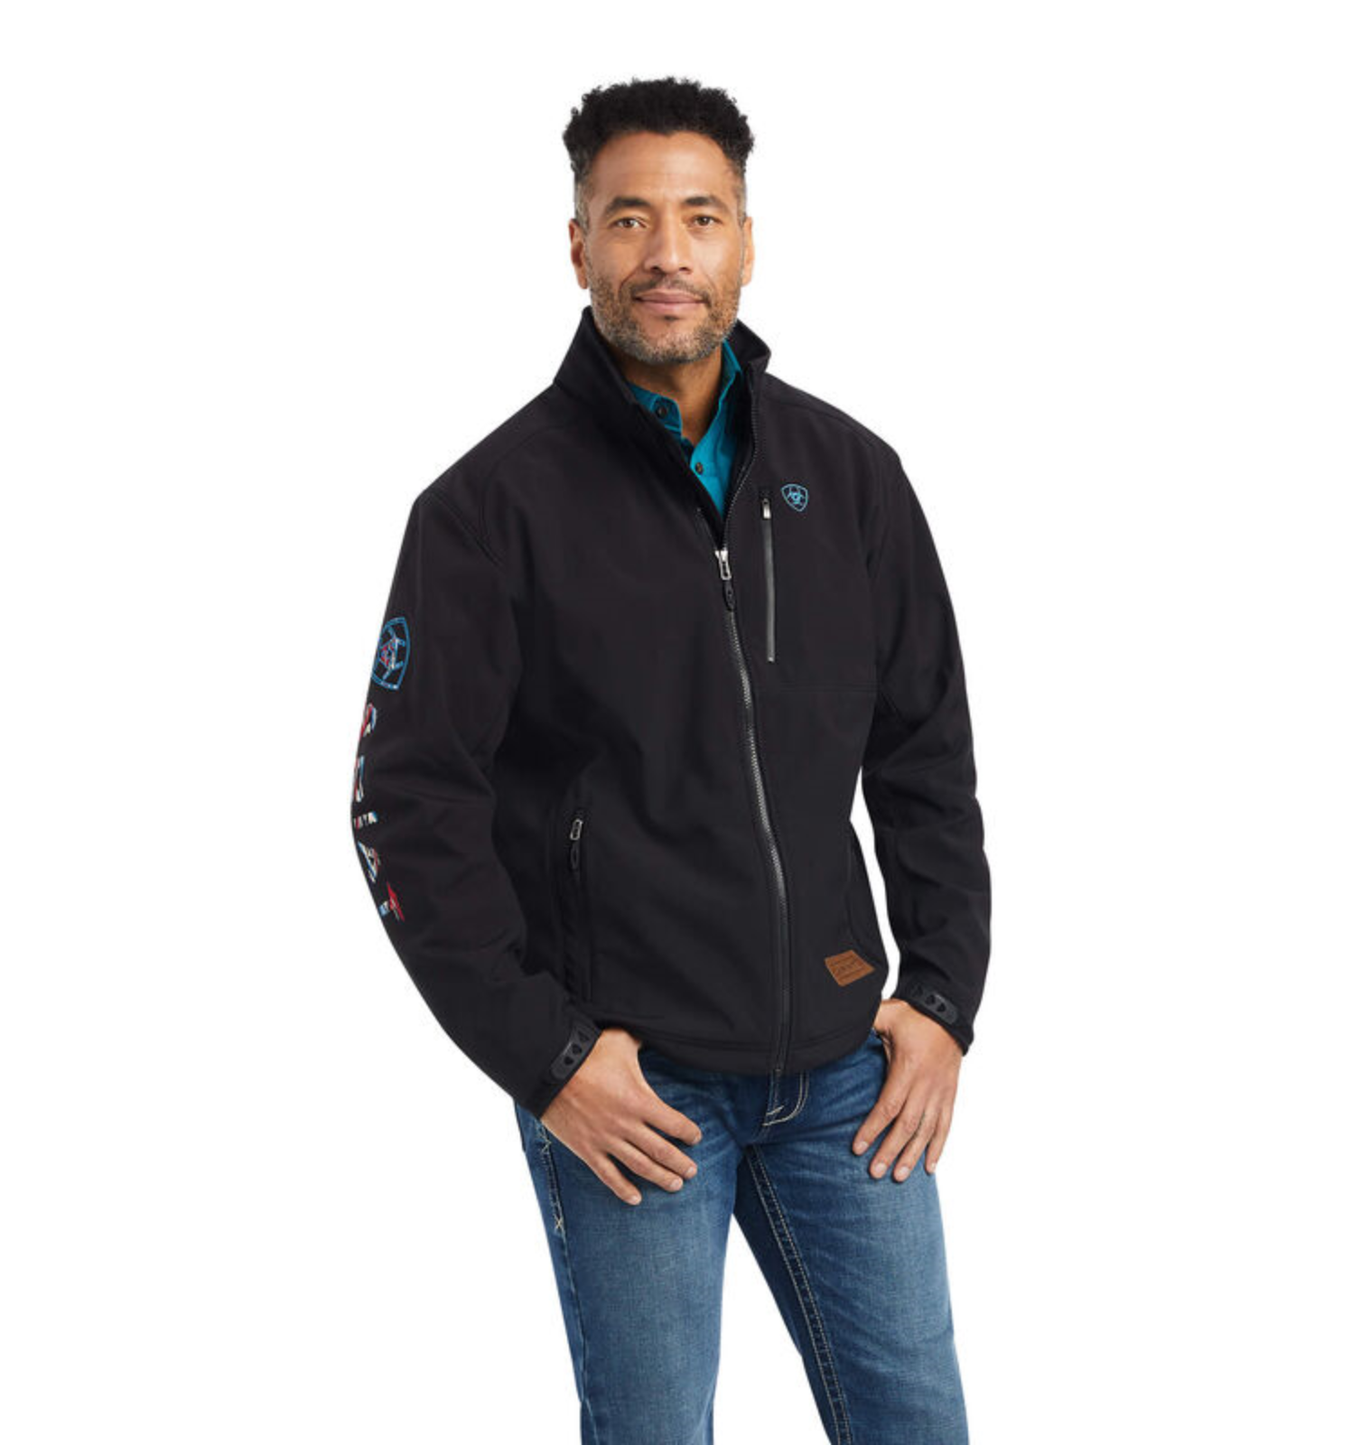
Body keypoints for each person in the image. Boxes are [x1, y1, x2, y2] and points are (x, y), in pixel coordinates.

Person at [350, 75, 991, 1445]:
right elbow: (405, 807)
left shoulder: (852, 477)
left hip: (844, 1075)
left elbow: (928, 751)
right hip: (633, 1087)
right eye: (629, 217)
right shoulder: (486, 512)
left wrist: (942, 994)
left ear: (745, 242)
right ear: (577, 245)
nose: (666, 253)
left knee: (918, 1424)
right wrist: (547, 1056)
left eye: (700, 217)